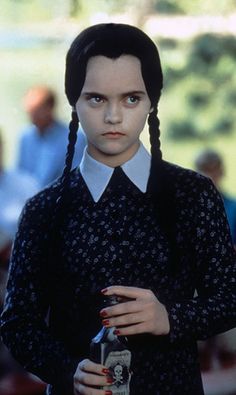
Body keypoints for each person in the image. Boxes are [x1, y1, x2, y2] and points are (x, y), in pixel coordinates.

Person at [1, 23, 236, 395]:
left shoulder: (193, 193)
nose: (113, 116)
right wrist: (67, 371)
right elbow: (17, 322)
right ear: (73, 100)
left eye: (131, 99)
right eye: (96, 99)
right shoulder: (44, 209)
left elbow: (230, 295)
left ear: (152, 100)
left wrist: (170, 317)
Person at [17, 85, 86, 187]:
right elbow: (20, 175)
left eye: (36, 110)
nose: (32, 115)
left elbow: (77, 177)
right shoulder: (25, 137)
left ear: (50, 108)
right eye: (30, 110)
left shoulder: (74, 138)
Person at [194, 149, 236, 247]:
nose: (210, 176)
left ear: (221, 172)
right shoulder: (188, 207)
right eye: (205, 170)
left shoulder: (234, 207)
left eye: (214, 170)